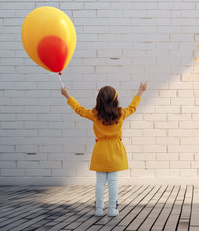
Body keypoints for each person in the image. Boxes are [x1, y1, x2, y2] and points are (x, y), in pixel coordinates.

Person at [61, 82, 148, 217]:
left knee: (100, 182)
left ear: (99, 100)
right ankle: (112, 208)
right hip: (115, 150)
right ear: (115, 100)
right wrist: (140, 91)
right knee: (113, 181)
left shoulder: (95, 114)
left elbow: (79, 109)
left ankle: (99, 209)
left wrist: (67, 96)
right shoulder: (121, 113)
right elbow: (133, 107)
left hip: (100, 150)